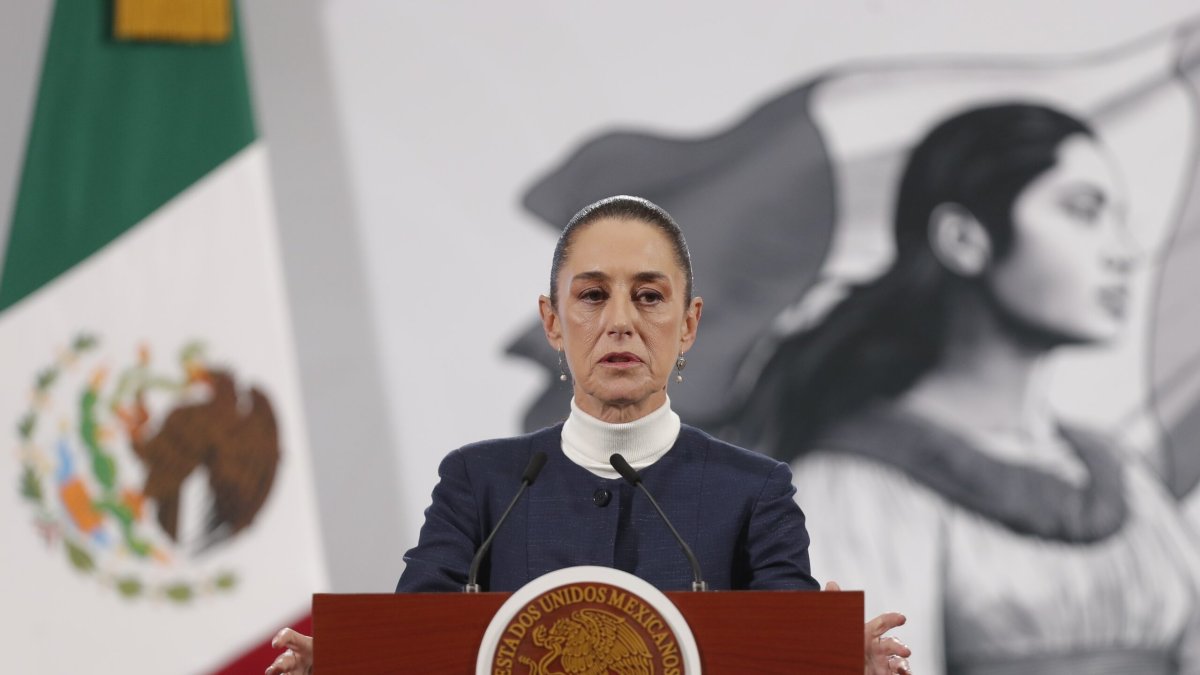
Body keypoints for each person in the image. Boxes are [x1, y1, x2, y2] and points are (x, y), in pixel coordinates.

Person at [266, 195, 914, 674]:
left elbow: (783, 656)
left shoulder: (756, 491)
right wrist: (355, 659)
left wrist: (830, 656)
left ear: (689, 325)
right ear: (553, 321)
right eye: (593, 295)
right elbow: (418, 639)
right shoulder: (481, 483)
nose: (622, 321)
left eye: (651, 296)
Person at [728, 104, 1200, 673]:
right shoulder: (855, 488)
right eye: (1083, 211)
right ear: (963, 238)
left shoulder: (1122, 478)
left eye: (1120, 218)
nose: (1124, 252)